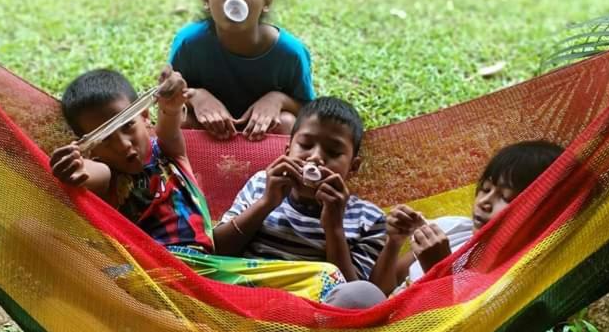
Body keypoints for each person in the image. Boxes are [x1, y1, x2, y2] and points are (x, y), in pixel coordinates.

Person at [214, 96, 396, 285]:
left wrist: (334, 227)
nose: (315, 158)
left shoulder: (369, 219)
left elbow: (354, 294)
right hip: (246, 296)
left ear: (353, 167)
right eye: (306, 145)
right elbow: (217, 251)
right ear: (287, 151)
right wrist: (265, 204)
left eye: (333, 153)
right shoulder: (261, 185)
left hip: (316, 307)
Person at [49, 67, 214, 253]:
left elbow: (169, 124)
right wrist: (75, 167)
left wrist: (172, 105)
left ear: (144, 116)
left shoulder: (170, 153)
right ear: (89, 148)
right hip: (149, 274)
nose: (123, 145)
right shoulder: (109, 176)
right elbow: (89, 173)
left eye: (128, 125)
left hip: (205, 269)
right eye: (105, 138)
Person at [372, 139, 566, 295]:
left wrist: (439, 270)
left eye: (506, 198)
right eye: (485, 189)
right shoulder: (453, 230)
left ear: (539, 215)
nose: (484, 202)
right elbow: (380, 292)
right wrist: (393, 244)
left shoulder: (512, 280)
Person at [169, 0, 315, 141]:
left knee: (288, 123)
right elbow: (170, 97)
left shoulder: (290, 53)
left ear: (267, 1)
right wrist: (196, 96)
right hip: (210, 133)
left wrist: (278, 100)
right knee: (181, 120)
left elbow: (309, 111)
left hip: (260, 136)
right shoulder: (189, 44)